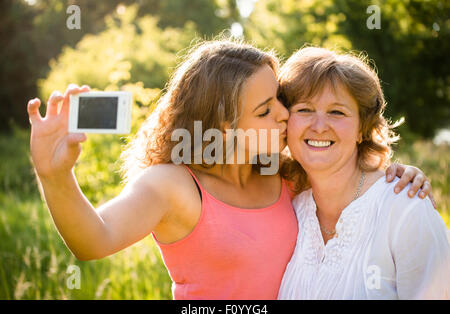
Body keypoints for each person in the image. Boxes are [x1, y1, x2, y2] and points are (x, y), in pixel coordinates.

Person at [27, 39, 431, 300]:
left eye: (278, 98)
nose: (284, 114)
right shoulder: (174, 185)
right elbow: (94, 239)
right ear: (224, 125)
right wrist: (55, 175)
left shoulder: (282, 173)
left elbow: (341, 158)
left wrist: (399, 174)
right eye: (264, 109)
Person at [277, 46, 449, 299]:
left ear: (362, 129)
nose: (319, 126)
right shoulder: (288, 206)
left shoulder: (405, 207)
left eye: (337, 112)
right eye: (304, 109)